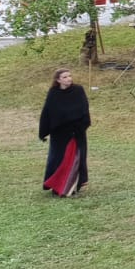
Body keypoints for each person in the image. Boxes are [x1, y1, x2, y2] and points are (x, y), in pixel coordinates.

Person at [39, 68, 91, 197]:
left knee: (75, 159)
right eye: (65, 77)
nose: (69, 79)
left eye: (69, 76)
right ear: (58, 80)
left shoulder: (78, 90)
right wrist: (43, 131)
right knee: (59, 159)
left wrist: (81, 125)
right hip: (60, 133)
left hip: (76, 131)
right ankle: (57, 186)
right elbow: (47, 112)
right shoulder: (53, 93)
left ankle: (71, 187)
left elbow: (84, 108)